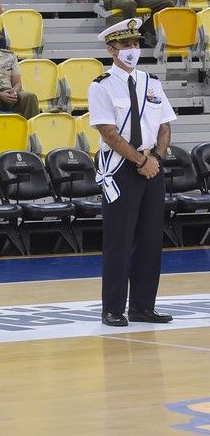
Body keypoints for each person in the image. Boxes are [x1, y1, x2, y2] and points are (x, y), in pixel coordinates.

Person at [88, 18, 177, 327]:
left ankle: (143, 306)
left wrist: (156, 158)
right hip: (121, 167)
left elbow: (164, 126)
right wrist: (140, 161)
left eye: (136, 44)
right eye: (126, 45)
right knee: (119, 240)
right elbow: (108, 132)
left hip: (152, 165)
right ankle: (112, 308)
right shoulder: (101, 85)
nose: (133, 50)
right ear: (112, 49)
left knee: (151, 239)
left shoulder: (152, 83)